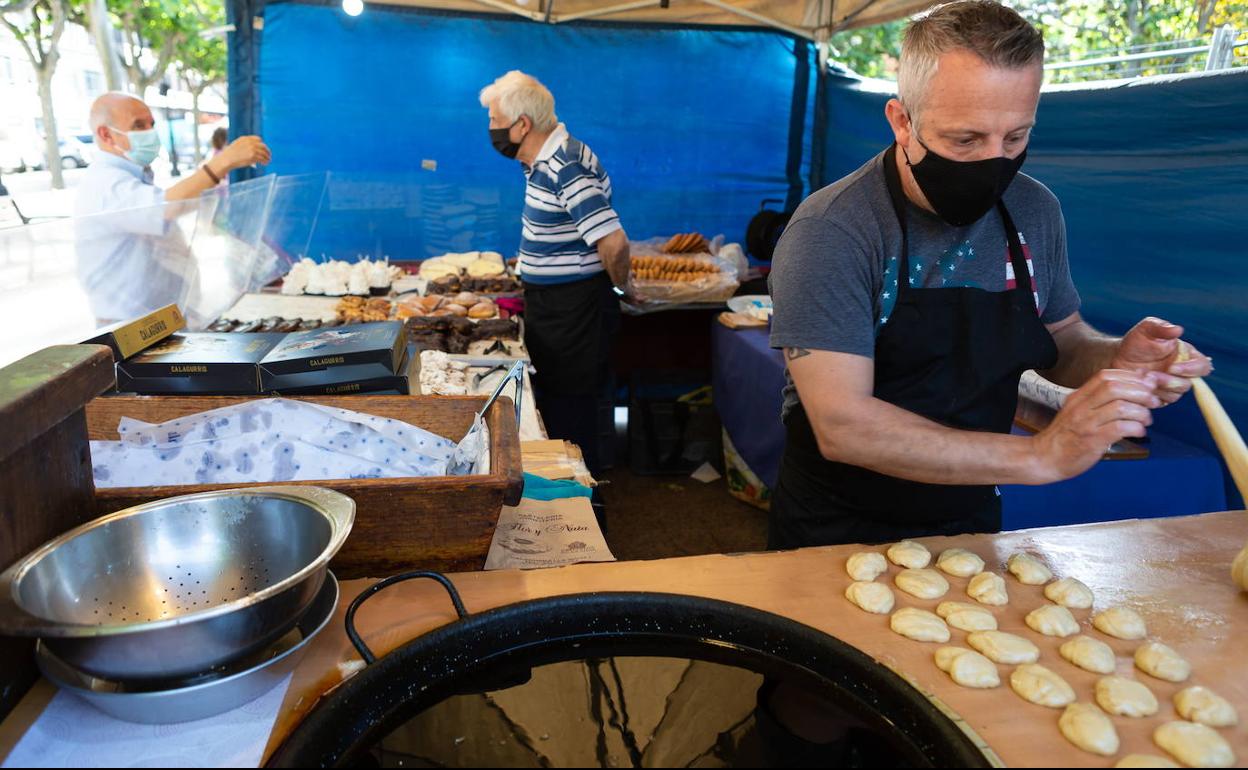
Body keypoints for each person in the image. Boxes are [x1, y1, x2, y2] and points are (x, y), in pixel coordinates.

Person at [763, 0, 1212, 757]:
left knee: (950, 697)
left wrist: (1118, 357)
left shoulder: (1033, 212)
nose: (993, 161)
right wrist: (1040, 458)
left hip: (968, 512)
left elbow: (1060, 340)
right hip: (839, 521)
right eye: (965, 138)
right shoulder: (835, 231)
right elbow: (843, 424)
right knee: (824, 698)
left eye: (1017, 135)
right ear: (901, 122)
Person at [479, 70, 631, 476]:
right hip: (556, 306)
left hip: (574, 311)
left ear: (522, 124)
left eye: (494, 121)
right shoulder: (543, 162)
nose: (490, 129)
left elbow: (613, 242)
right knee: (561, 410)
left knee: (573, 416)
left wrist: (618, 289)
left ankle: (588, 515)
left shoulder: (564, 165)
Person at [75, 93, 272, 325]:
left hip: (166, 318)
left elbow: (175, 204)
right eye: (138, 126)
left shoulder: (134, 177)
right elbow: (164, 209)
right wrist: (222, 162)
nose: (150, 132)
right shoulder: (105, 183)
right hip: (130, 326)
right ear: (106, 134)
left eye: (151, 124)